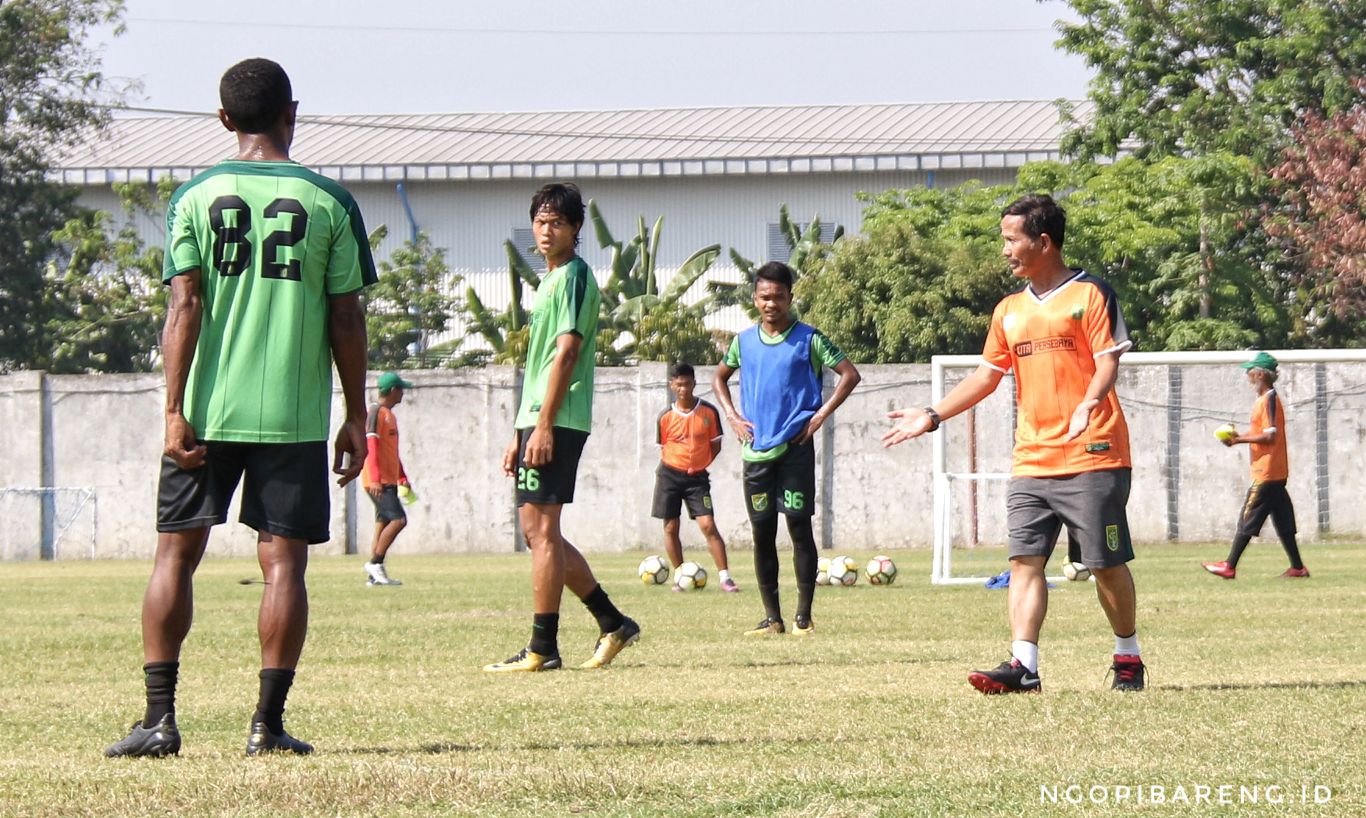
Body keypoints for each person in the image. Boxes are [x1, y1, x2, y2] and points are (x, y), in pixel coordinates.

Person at [105, 58, 374, 757]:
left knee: (175, 555)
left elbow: (183, 305)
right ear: (294, 111)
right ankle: (267, 725)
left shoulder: (194, 197)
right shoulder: (330, 201)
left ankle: (160, 722)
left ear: (224, 119)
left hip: (204, 411)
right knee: (283, 565)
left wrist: (172, 409)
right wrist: (355, 413)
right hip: (290, 413)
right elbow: (346, 318)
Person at [883, 194, 1146, 693]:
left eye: (1011, 240)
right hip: (1032, 459)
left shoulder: (1091, 295)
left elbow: (1109, 360)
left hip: (1094, 452)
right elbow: (986, 376)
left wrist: (1090, 401)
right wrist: (933, 414)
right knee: (1024, 561)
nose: (1004, 250)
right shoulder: (1009, 310)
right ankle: (1024, 667)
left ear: (1042, 242)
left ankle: (1127, 657)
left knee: (1104, 563)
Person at [484, 182, 640, 672]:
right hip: (537, 418)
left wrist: (546, 424)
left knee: (544, 529)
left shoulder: (573, 276)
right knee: (536, 530)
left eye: (557, 222)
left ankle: (543, 648)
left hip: (560, 417)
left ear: (575, 229)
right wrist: (519, 431)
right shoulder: (549, 281)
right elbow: (538, 362)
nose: (546, 230)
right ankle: (612, 622)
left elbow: (568, 351)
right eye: (540, 221)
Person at [713, 262, 861, 636]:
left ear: (790, 298)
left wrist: (820, 415)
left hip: (795, 450)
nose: (771, 304)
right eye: (765, 297)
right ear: (755, 300)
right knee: (762, 534)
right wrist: (731, 415)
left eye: (779, 297)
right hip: (756, 455)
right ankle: (771, 618)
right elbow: (718, 376)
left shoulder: (809, 338)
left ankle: (803, 617)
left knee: (798, 529)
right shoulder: (743, 342)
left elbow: (850, 374)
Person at [1202, 352, 1309, 579]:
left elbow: (1270, 435)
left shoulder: (1269, 398)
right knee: (1283, 521)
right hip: (1275, 471)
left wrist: (1238, 440)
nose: (1248, 376)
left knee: (1247, 517)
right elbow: (1263, 432)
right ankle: (1298, 567)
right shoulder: (1264, 400)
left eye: (1250, 372)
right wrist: (1237, 436)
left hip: (1267, 472)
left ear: (1260, 374)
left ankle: (1229, 566)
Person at [653, 362, 738, 592]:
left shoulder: (708, 412)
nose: (683, 389)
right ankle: (681, 576)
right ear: (672, 385)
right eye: (679, 385)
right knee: (671, 527)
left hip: (697, 479)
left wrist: (699, 464)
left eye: (687, 384)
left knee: (708, 525)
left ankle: (725, 578)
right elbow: (664, 446)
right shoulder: (665, 416)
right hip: (669, 476)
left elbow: (716, 445)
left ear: (694, 384)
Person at [362, 371, 414, 587]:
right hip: (378, 481)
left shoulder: (389, 415)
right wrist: (375, 479)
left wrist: (401, 476)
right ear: (393, 391)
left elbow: (391, 452)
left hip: (389, 479)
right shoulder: (375, 413)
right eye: (401, 389)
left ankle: (374, 576)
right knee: (398, 520)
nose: (403, 393)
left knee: (382, 522)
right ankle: (375, 562)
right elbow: (371, 448)